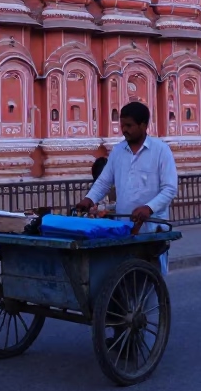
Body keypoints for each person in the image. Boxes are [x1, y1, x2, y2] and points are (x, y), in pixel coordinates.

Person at [74, 101, 177, 274]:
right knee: (125, 277)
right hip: (123, 227)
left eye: (129, 125)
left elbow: (170, 188)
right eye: (122, 125)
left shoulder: (161, 150)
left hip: (151, 227)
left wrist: (148, 208)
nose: (124, 130)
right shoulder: (118, 151)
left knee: (150, 278)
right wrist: (89, 199)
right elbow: (104, 181)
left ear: (143, 125)